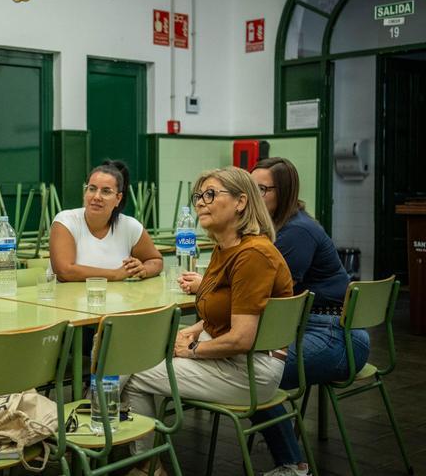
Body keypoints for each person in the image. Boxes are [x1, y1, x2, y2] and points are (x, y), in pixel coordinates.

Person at [121, 166, 293, 476]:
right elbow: (226, 309)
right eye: (199, 195)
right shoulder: (225, 248)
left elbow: (242, 338)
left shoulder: (252, 254)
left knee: (134, 372)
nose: (201, 202)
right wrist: (192, 330)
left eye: (211, 194)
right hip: (237, 359)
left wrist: (191, 350)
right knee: (132, 360)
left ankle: (141, 463)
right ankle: (118, 437)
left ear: (241, 202)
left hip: (250, 371)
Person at [249, 157, 362, 476]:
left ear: (282, 193)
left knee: (255, 375)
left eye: (262, 189)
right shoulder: (281, 226)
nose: (253, 197)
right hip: (323, 329)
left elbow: (271, 293)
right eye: (250, 188)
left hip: (334, 337)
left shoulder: (295, 232)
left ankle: (293, 464)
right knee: (250, 367)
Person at [49, 160, 163, 282]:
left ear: (118, 198)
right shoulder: (66, 221)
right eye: (92, 189)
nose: (97, 197)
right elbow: (64, 271)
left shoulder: (130, 226)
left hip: (116, 299)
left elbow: (156, 261)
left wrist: (143, 270)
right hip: (67, 300)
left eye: (106, 191)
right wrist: (115, 275)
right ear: (84, 192)